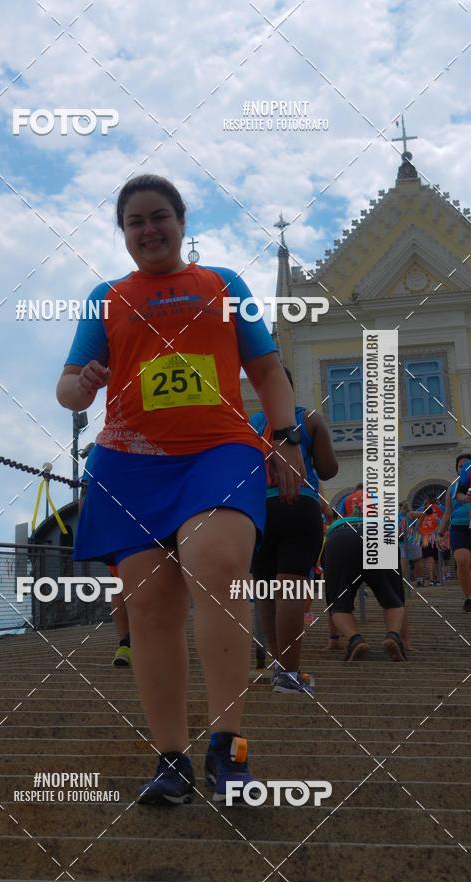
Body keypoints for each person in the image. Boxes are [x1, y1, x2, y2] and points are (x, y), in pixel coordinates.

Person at [56, 173, 304, 805]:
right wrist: (82, 385)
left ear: (182, 221)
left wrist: (285, 437)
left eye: (159, 216)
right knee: (149, 607)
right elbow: (66, 389)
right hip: (131, 461)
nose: (149, 229)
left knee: (216, 565)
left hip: (218, 450)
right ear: (123, 233)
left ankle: (230, 749)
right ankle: (172, 761)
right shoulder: (105, 297)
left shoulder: (224, 285)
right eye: (135, 221)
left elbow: (269, 368)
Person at [250, 367, 338, 694]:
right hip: (299, 503)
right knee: (291, 585)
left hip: (258, 510)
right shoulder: (310, 418)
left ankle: (277, 665)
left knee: (264, 588)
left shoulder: (248, 424)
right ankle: (289, 673)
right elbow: (328, 470)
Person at [323, 486, 407, 662]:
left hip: (341, 538)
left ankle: (355, 639)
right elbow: (401, 599)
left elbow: (330, 598)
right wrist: (406, 640)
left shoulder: (340, 520)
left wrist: (333, 638)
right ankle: (393, 636)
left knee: (338, 600)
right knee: (393, 598)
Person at [80, 442, 131, 666]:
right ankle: (129, 643)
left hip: (116, 524)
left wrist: (86, 531)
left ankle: (126, 644)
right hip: (135, 521)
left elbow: (85, 491)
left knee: (121, 585)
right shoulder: (102, 448)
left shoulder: (101, 447)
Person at [438, 453, 471, 612]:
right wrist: (440, 533)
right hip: (459, 528)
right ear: (457, 469)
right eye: (461, 466)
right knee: (462, 560)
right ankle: (468, 598)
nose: (464, 468)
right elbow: (447, 513)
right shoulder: (452, 489)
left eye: (467, 465)